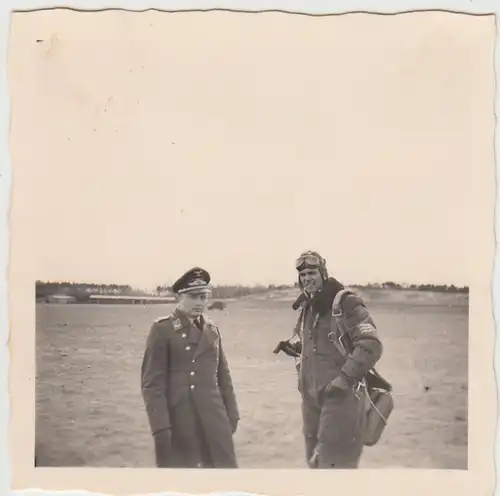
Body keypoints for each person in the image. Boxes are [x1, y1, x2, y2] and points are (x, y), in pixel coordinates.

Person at [286, 251, 383, 469]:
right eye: (302, 275)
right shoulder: (309, 306)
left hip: (341, 400)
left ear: (323, 273)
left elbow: (370, 344)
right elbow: (312, 343)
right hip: (311, 401)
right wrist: (293, 348)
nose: (306, 279)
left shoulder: (345, 303)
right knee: (315, 466)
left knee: (336, 469)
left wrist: (344, 379)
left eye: (311, 273)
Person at [141, 267, 239, 468]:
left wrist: (232, 413)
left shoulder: (212, 330)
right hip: (181, 422)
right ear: (180, 297)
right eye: (193, 297)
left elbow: (223, 376)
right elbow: (152, 385)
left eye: (203, 297)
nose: (200, 303)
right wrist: (160, 428)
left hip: (215, 419)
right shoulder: (163, 330)